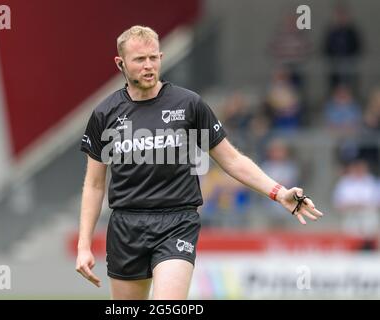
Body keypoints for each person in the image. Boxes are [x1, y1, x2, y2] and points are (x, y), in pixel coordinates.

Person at [76, 25, 323, 300]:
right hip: (126, 226)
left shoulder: (188, 104)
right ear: (120, 63)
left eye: (153, 58)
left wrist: (278, 192)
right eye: (139, 60)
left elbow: (231, 160)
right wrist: (84, 245)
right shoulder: (104, 114)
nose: (149, 66)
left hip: (176, 221)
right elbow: (95, 184)